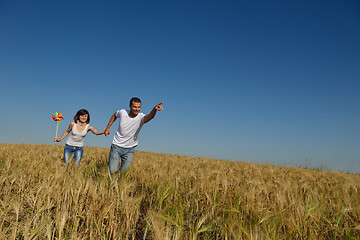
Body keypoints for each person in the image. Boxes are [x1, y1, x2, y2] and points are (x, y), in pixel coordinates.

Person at [105, 97, 163, 174]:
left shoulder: (141, 117)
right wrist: (108, 128)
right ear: (130, 106)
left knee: (123, 173)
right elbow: (114, 115)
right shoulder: (123, 112)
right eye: (135, 107)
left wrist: (154, 109)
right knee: (112, 171)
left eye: (139, 107)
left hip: (130, 149)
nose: (137, 109)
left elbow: (150, 116)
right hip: (117, 146)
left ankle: (118, 184)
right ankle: (112, 183)